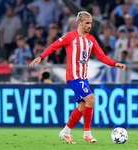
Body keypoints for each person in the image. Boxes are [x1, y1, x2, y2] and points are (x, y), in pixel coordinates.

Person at [29, 11, 125, 144]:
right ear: (79, 23)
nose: (89, 25)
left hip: (84, 78)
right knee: (91, 99)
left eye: (90, 23)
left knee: (82, 106)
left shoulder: (91, 39)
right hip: (73, 77)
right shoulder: (70, 37)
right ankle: (87, 134)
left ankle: (65, 131)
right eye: (87, 23)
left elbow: (101, 56)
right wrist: (40, 56)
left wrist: (115, 64)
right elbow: (53, 46)